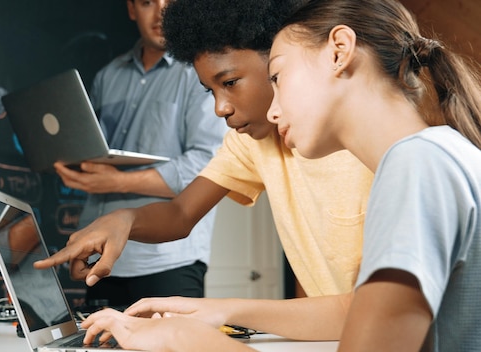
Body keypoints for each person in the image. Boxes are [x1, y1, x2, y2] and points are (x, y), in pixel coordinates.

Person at [66, 0, 481, 350]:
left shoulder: (416, 166)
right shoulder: (432, 156)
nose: (274, 108)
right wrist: (218, 311)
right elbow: (351, 309)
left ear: (339, 50)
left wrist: (188, 341)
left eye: (278, 78)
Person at [37, 0, 374, 339]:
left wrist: (217, 313)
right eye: (210, 90)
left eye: (230, 82)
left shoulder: (371, 151)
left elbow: (372, 310)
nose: (219, 108)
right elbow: (181, 213)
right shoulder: (250, 142)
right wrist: (125, 219)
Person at [52, 0, 226, 308]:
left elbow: (207, 165)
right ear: (132, 9)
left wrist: (116, 182)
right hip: (103, 253)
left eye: (170, 3)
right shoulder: (108, 76)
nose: (161, 12)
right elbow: (97, 151)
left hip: (169, 259)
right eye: (148, 2)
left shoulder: (199, 73)